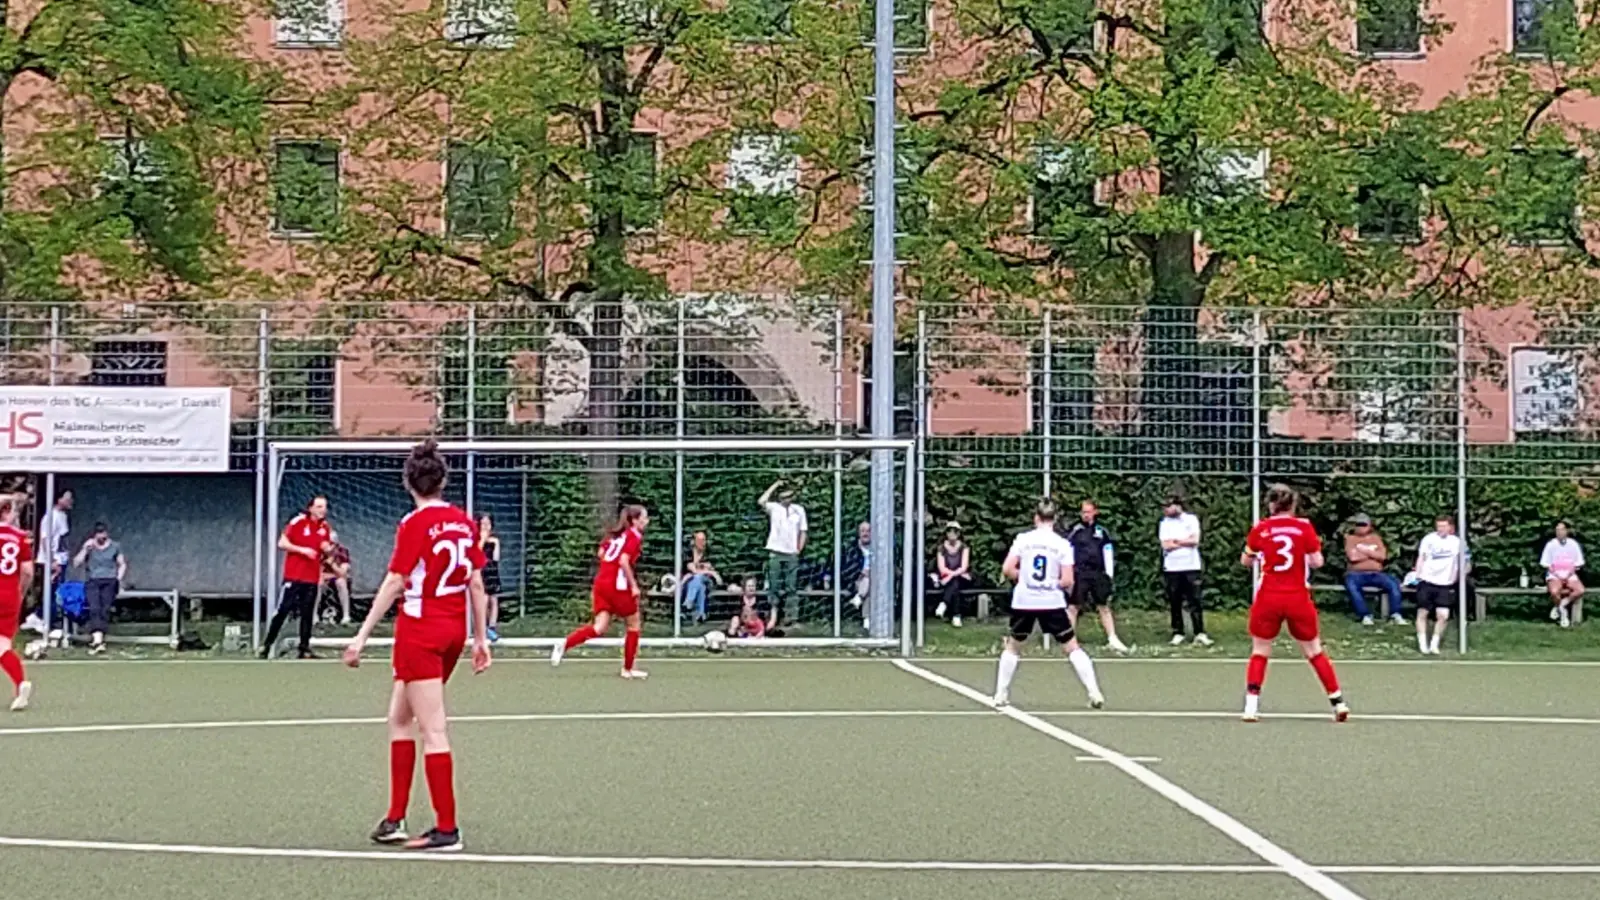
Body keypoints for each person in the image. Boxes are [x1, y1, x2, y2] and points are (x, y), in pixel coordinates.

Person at [343, 439, 492, 853]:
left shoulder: (414, 524)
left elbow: (396, 580)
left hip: (420, 632)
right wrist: (480, 638)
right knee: (399, 717)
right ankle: (394, 818)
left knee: (433, 729)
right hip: (452, 631)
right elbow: (476, 583)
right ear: (443, 481)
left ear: (408, 483)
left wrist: (361, 635)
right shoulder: (463, 522)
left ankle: (447, 829)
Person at [1239, 484, 1349, 723]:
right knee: (1314, 650)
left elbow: (1245, 561)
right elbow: (1317, 562)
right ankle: (1338, 702)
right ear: (1293, 504)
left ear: (1271, 504)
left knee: (1260, 650)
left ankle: (1250, 706)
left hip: (1268, 596)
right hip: (1297, 596)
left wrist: (1259, 554)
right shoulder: (1304, 527)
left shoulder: (1261, 529)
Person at [994, 498, 1105, 709]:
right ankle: (1094, 692)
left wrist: (1024, 578)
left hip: (1024, 600)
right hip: (1051, 601)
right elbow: (1068, 580)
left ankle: (1000, 694)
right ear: (1055, 519)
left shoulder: (1023, 539)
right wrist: (1051, 583)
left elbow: (1007, 569)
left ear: (1036, 517)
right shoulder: (1062, 544)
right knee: (1072, 647)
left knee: (1013, 646)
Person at [552, 505, 650, 679]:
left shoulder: (615, 536)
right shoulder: (634, 537)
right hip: (618, 586)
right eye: (644, 517)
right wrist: (633, 585)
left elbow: (601, 553)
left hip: (601, 582)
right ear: (635, 521)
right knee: (634, 624)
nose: (647, 521)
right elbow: (623, 560)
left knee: (599, 627)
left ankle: (565, 644)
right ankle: (627, 669)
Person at [263, 495, 332, 659]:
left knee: (307, 614)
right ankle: (266, 646)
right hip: (293, 576)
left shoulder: (325, 528)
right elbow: (282, 543)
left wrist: (328, 550)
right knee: (283, 610)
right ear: (311, 508)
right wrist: (303, 550)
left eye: (324, 507)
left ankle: (304, 648)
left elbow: (325, 549)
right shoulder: (298, 522)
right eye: (319, 507)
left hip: (311, 577)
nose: (323, 510)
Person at [1064, 500, 1129, 653]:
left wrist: (1109, 575)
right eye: (1083, 512)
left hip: (1098, 573)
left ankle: (1112, 638)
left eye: (1088, 512)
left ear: (1095, 512)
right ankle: (1069, 639)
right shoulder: (1075, 531)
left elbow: (1108, 552)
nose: (1086, 515)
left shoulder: (1102, 531)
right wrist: (1069, 573)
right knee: (1073, 606)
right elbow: (1068, 552)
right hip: (1080, 573)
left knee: (1103, 606)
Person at [1409, 515, 1465, 655]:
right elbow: (1421, 557)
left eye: (1444, 526)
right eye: (1439, 526)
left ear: (1450, 527)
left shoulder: (1456, 542)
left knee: (1443, 615)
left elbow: (1459, 561)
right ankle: (1423, 644)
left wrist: (1455, 577)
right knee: (1423, 612)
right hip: (1427, 580)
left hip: (1445, 583)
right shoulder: (1429, 539)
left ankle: (1435, 643)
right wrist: (1418, 575)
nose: (1441, 529)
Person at [1158, 497, 1210, 646]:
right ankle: (1178, 632)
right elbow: (1166, 545)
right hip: (1172, 567)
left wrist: (1176, 541)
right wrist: (1183, 541)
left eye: (1168, 506)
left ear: (1177, 506)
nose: (1165, 510)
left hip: (1191, 566)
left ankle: (1199, 632)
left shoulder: (1191, 520)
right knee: (1175, 601)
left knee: (1195, 600)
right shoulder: (1164, 523)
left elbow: (1194, 541)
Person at [0, 497, 35, 711]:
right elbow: (28, 571)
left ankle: (21, 683)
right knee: (2, 645)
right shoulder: (20, 537)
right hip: (9, 595)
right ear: (7, 513)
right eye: (13, 511)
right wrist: (20, 591)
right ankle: (21, 683)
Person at [758, 481, 806, 630]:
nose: (787, 499)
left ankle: (791, 618)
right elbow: (761, 501)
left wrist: (799, 549)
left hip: (791, 553)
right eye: (784, 497)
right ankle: (773, 616)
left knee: (792, 586)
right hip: (775, 551)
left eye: (789, 496)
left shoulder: (799, 510)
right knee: (774, 585)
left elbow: (803, 531)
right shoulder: (774, 508)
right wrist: (775, 485)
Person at [72, 522, 126, 655]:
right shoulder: (90, 547)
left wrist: (118, 578)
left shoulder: (115, 546)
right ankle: (98, 639)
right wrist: (85, 549)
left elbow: (122, 564)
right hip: (93, 581)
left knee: (105, 608)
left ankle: (99, 636)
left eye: (103, 533)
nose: (101, 536)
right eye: (98, 533)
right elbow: (76, 563)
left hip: (109, 580)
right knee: (94, 607)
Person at [1343, 514, 1403, 625]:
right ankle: (1365, 615)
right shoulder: (1350, 539)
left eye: (1364, 524)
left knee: (1393, 584)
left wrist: (1363, 551)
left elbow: (1382, 556)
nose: (1361, 527)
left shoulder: (1376, 538)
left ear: (1369, 526)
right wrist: (1373, 553)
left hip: (1376, 573)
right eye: (1358, 524)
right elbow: (1353, 557)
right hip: (1356, 574)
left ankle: (1395, 614)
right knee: (1352, 586)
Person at [1540, 521, 1585, 628]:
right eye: (1557, 530)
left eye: (1562, 529)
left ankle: (1561, 605)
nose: (1559, 532)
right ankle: (1563, 614)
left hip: (1570, 574)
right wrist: (1557, 574)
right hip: (1555, 574)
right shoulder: (1550, 544)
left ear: (1566, 531)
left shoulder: (1573, 544)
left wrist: (1569, 574)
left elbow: (1578, 562)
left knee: (1580, 590)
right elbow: (1545, 563)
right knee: (1554, 591)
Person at [933, 522, 971, 627]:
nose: (952, 534)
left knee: (955, 581)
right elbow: (942, 568)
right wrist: (950, 575)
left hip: (961, 576)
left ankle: (944, 603)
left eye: (955, 531)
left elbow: (964, 567)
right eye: (949, 531)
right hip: (947, 577)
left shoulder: (964, 547)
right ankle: (956, 616)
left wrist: (952, 575)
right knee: (954, 585)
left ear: (959, 533)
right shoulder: (941, 548)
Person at [681, 530, 719, 624]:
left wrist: (705, 571)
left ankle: (688, 602)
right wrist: (705, 570)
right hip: (692, 581)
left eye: (704, 540)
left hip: (708, 580)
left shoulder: (708, 553)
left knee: (698, 577)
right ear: (694, 542)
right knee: (700, 586)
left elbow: (711, 570)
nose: (703, 543)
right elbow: (691, 568)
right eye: (700, 540)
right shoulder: (688, 553)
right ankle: (700, 614)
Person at [478, 515, 502, 642]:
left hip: (492, 571)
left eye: (488, 524)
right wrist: (483, 539)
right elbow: (476, 552)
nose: (486, 526)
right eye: (483, 524)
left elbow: (496, 558)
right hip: (481, 572)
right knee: (484, 599)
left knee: (494, 599)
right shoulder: (476, 539)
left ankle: (492, 627)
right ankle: (483, 626)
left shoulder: (494, 540)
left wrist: (496, 544)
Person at [324, 530, 352, 626]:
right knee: (318, 583)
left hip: (336, 577)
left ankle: (346, 615)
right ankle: (314, 615)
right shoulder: (319, 551)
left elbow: (343, 573)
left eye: (332, 544)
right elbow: (318, 574)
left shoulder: (342, 551)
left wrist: (332, 564)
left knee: (341, 582)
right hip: (324, 578)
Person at [845, 520, 871, 613]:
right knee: (869, 581)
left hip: (873, 579)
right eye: (863, 531)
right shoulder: (852, 549)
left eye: (868, 531)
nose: (865, 533)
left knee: (871, 582)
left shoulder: (877, 548)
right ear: (858, 533)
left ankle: (859, 598)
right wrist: (861, 572)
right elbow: (847, 569)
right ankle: (867, 618)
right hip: (856, 580)